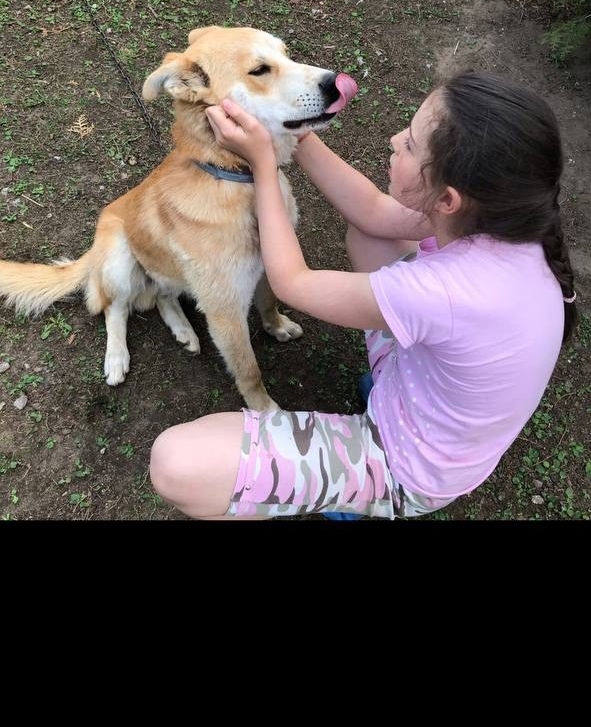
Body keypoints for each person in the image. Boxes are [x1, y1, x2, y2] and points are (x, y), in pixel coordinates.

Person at [149, 71, 578, 520]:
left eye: (410, 144)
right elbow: (371, 211)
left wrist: (263, 164)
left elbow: (293, 282)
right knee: (371, 234)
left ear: (448, 199)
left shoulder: (443, 294)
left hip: (405, 467)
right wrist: (294, 127)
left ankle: (356, 494)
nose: (394, 140)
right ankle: (386, 397)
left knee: (176, 464)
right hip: (427, 387)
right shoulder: (498, 218)